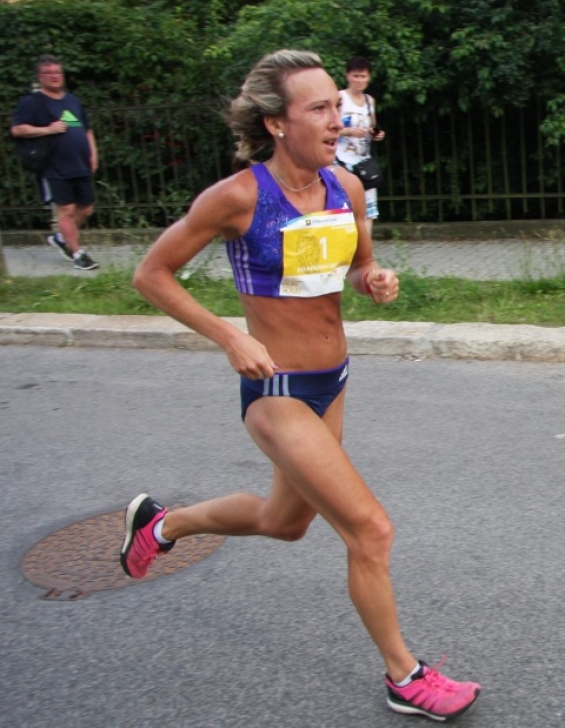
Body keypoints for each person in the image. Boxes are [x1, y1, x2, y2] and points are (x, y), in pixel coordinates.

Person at [120, 49, 481, 721]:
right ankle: (405, 677)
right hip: (277, 389)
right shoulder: (238, 197)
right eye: (319, 108)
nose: (337, 120)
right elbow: (151, 274)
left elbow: (359, 265)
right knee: (370, 530)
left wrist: (373, 280)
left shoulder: (344, 187)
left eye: (336, 107)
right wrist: (231, 336)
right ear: (277, 123)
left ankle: (162, 525)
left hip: (332, 380)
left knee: (283, 522)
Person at [11, 55, 99, 270]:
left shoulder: (72, 101)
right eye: (48, 73)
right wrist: (48, 129)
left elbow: (86, 130)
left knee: (86, 208)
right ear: (39, 77)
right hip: (54, 166)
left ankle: (61, 238)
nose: (54, 76)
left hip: (79, 163)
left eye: (57, 72)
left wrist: (93, 154)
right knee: (66, 210)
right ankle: (77, 253)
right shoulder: (32, 102)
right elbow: (18, 129)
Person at [336, 56, 385, 236]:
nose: (359, 80)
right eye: (355, 76)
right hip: (342, 160)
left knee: (368, 210)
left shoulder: (369, 101)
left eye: (363, 76)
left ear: (368, 77)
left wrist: (376, 134)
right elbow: (327, 130)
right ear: (348, 76)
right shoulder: (339, 98)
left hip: (364, 162)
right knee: (345, 208)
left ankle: (366, 248)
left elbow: (373, 127)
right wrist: (348, 131)